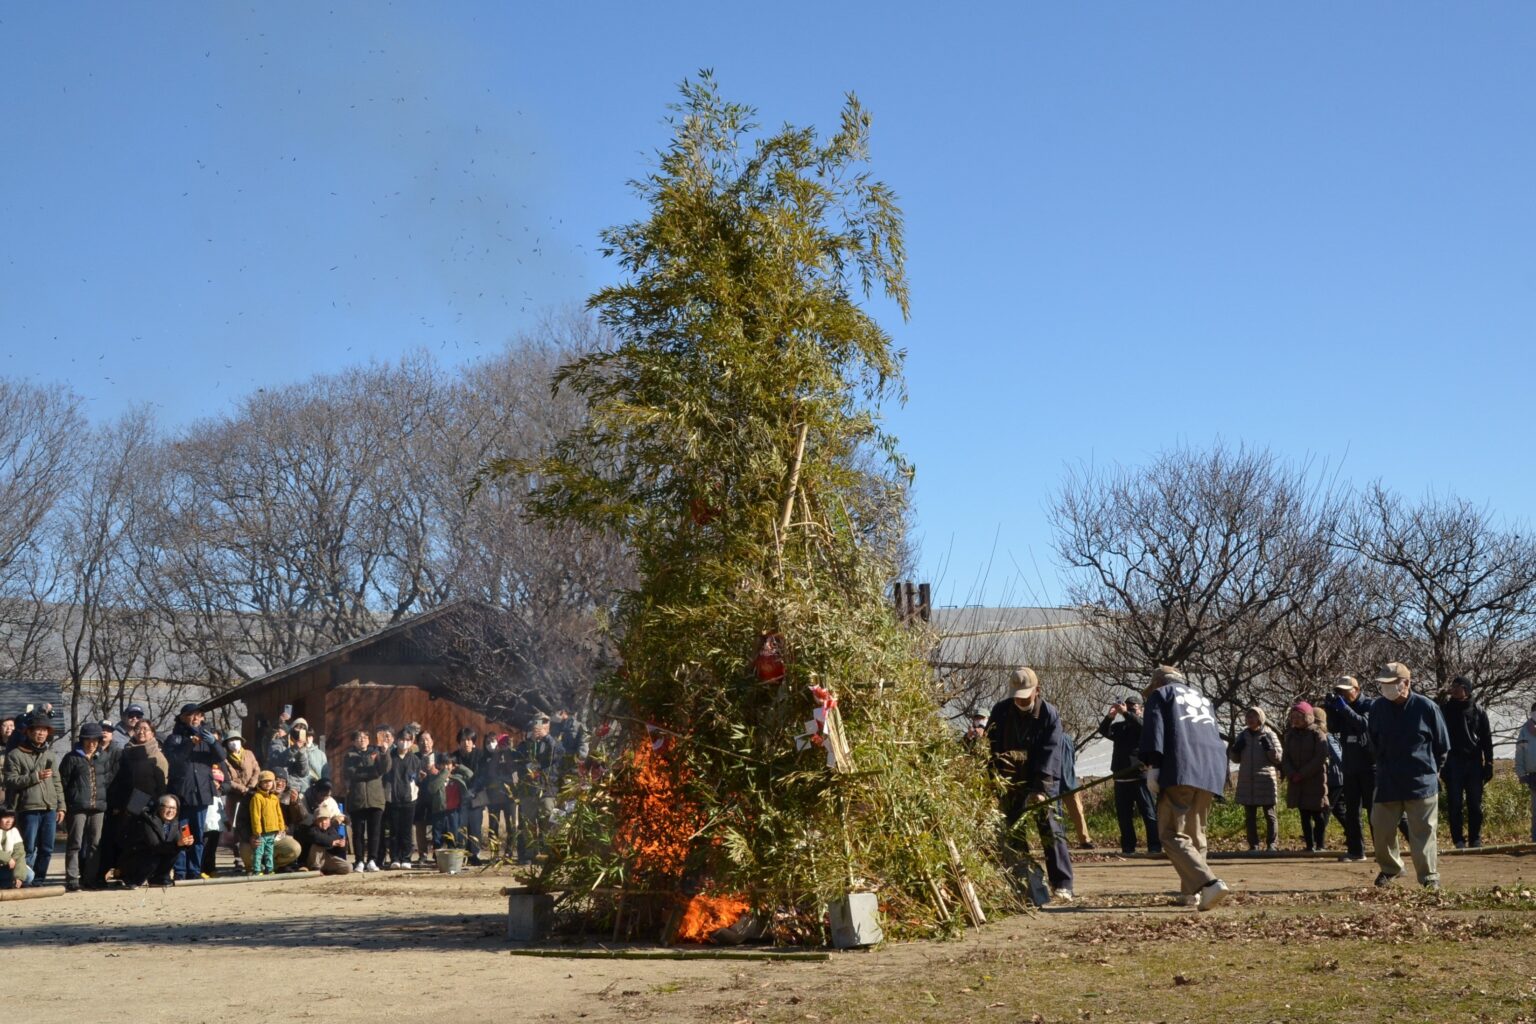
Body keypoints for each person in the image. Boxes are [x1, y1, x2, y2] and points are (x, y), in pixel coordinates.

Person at [1139, 665, 1230, 911]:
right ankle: (1192, 894)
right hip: (1211, 769)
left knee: (1170, 833)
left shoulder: (1162, 695)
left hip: (1182, 766)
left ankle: (1208, 883)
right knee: (1195, 833)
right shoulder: (1203, 698)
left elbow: (1155, 730)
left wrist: (1153, 765)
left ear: (1159, 683)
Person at [986, 666, 1075, 903]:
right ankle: (1024, 878)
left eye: (1025, 696)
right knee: (1012, 831)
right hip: (1009, 779)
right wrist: (992, 780)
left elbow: (1050, 753)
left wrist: (1040, 789)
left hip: (1041, 779)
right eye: (1017, 696)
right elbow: (990, 745)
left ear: (1037, 690)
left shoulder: (1049, 714)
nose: (1021, 701)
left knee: (1050, 829)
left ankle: (1063, 883)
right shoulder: (1001, 711)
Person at [1362, 662, 1450, 890]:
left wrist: (1433, 771)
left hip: (1421, 782)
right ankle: (1392, 868)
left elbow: (1442, 746)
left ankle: (1429, 876)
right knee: (1380, 829)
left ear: (1407, 683)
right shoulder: (1377, 708)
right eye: (1383, 684)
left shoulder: (1427, 707)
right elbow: (1373, 740)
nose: (1387, 688)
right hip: (1387, 780)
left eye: (1392, 684)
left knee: (1423, 833)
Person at [162, 703, 228, 880]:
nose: (196, 719)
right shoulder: (174, 738)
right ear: (183, 718)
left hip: (202, 793)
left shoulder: (207, 738)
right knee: (183, 834)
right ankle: (181, 871)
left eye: (199, 715)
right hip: (182, 795)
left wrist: (214, 742)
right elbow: (175, 760)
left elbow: (221, 757)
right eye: (191, 715)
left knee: (199, 835)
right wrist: (190, 743)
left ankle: (195, 870)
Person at [2, 712, 66, 886]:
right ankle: (23, 880)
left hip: (49, 808)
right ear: (28, 732)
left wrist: (61, 806)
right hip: (27, 808)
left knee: (47, 849)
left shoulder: (50, 754)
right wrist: (35, 777)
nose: (41, 733)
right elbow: (10, 780)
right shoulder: (15, 754)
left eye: (45, 730)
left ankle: (38, 881)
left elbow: (56, 781)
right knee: (28, 848)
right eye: (37, 730)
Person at [1437, 676, 1494, 849]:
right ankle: (1458, 840)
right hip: (1453, 763)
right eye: (1452, 686)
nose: (1454, 689)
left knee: (1475, 804)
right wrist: (1441, 766)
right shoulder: (1444, 710)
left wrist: (1489, 763)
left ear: (1466, 689)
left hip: (1474, 763)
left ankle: (1475, 838)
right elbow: (1438, 738)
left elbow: (1486, 738)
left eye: (1458, 686)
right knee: (1455, 804)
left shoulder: (1478, 710)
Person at [1324, 676, 1378, 862]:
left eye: (1347, 691)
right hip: (1350, 765)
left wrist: (1344, 708)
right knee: (1352, 811)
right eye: (1340, 691)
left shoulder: (1370, 705)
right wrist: (1330, 710)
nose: (1343, 695)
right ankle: (1356, 850)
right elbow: (1333, 728)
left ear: (1357, 688)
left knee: (1374, 810)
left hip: (1370, 766)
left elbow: (1364, 725)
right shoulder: (1341, 707)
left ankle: (1382, 851)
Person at [1098, 696, 1160, 855]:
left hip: (1140, 776)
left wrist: (1126, 713)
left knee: (1149, 813)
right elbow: (1104, 731)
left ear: (1141, 710)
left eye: (1134, 708)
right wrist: (1110, 716)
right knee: (1124, 816)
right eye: (1128, 708)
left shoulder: (1145, 725)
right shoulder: (1119, 727)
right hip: (1121, 776)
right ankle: (1128, 847)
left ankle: (1154, 846)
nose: (1130, 711)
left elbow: (1141, 726)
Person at [61, 722, 114, 892]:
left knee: (95, 844)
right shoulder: (71, 758)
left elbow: (107, 781)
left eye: (95, 740)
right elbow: (63, 783)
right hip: (77, 807)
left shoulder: (103, 757)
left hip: (98, 806)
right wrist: (65, 805)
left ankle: (89, 878)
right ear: (82, 740)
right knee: (75, 842)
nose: (91, 743)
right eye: (88, 739)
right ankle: (72, 878)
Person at [511, 713, 564, 866]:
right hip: (529, 789)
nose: (540, 727)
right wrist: (529, 742)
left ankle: (548, 852)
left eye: (544, 724)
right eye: (537, 723)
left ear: (549, 727)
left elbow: (558, 754)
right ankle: (530, 854)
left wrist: (546, 738)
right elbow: (516, 761)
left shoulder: (554, 743)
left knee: (549, 818)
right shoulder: (525, 744)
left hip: (548, 789)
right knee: (528, 823)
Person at [1228, 707, 1281, 853]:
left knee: (1270, 814)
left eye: (1254, 716)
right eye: (1248, 717)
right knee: (1249, 816)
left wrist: (1269, 748)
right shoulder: (1242, 736)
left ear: (1260, 718)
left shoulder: (1270, 734)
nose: (1250, 719)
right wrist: (1235, 750)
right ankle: (1254, 845)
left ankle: (1272, 844)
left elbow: (1278, 758)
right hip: (1247, 780)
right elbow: (1235, 759)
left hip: (1266, 780)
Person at [118, 793, 196, 888]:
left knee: (174, 852)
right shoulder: (147, 821)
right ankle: (134, 879)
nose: (171, 811)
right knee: (154, 856)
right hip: (135, 857)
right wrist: (177, 844)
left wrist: (186, 843)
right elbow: (154, 845)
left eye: (174, 808)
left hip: (156, 853)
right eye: (168, 807)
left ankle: (159, 879)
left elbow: (176, 843)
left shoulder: (174, 823)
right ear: (159, 807)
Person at [1281, 702, 1330, 852]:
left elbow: (1320, 756)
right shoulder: (1290, 736)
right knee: (1304, 814)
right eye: (1293, 717)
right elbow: (1285, 758)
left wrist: (1302, 773)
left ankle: (1320, 844)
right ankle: (1309, 845)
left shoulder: (1317, 734)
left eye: (1299, 716)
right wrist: (1291, 773)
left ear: (1308, 717)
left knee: (1318, 814)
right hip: (1297, 782)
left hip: (1315, 780)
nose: (1295, 720)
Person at [342, 727, 390, 872]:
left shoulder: (376, 752)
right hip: (357, 799)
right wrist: (372, 771)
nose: (362, 740)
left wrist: (384, 752)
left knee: (374, 832)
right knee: (358, 833)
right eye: (358, 738)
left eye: (364, 737)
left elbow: (384, 768)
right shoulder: (349, 756)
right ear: (353, 742)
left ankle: (372, 860)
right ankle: (359, 861)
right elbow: (352, 773)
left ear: (369, 740)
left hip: (375, 799)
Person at [381, 726, 420, 869]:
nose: (404, 742)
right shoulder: (391, 757)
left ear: (412, 742)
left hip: (409, 800)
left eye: (408, 740)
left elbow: (417, 779)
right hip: (393, 798)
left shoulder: (415, 759)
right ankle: (395, 858)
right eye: (402, 739)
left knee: (407, 831)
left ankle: (407, 858)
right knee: (394, 831)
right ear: (397, 740)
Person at [426, 750, 474, 850]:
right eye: (444, 764)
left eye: (449, 764)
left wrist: (459, 767)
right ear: (439, 765)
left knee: (453, 835)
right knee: (438, 837)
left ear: (453, 765)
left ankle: (452, 857)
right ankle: (438, 859)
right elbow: (432, 789)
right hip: (439, 811)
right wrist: (443, 774)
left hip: (454, 812)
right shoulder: (435, 778)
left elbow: (470, 774)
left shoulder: (457, 778)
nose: (447, 767)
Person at [454, 727, 488, 861]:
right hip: (460, 797)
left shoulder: (481, 756)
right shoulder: (454, 757)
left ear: (473, 742)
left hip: (477, 796)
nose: (466, 743)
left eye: (469, 740)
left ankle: (475, 854)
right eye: (463, 740)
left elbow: (483, 776)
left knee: (475, 827)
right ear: (459, 742)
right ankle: (461, 855)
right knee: (461, 827)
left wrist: (473, 790)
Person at [297, 797, 352, 874]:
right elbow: (318, 838)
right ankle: (314, 869)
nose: (324, 822)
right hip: (311, 860)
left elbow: (337, 842)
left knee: (348, 868)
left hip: (326, 859)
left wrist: (341, 846)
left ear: (329, 820)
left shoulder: (332, 829)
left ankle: (327, 871)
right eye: (320, 820)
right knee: (318, 844)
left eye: (326, 819)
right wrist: (332, 842)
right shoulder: (311, 830)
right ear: (315, 821)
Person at [246, 770, 284, 875]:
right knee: (259, 852)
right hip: (261, 832)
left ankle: (269, 869)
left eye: (270, 781)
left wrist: (281, 826)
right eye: (264, 781)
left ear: (273, 783)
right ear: (260, 783)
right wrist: (257, 830)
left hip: (272, 831)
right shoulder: (257, 798)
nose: (267, 784)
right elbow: (255, 815)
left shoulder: (274, 798)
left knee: (269, 852)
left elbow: (279, 814)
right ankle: (257, 870)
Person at [413, 731, 438, 864]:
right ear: (417, 743)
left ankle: (437, 853)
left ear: (432, 741)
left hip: (435, 796)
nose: (425, 743)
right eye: (422, 740)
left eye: (427, 739)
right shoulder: (414, 757)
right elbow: (409, 775)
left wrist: (436, 772)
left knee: (437, 826)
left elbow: (447, 772)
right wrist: (418, 776)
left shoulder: (439, 756)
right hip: (419, 796)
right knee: (420, 825)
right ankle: (422, 854)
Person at [1515, 700, 1536, 844]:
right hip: (1534, 775)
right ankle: (1535, 839)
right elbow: (1519, 754)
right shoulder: (1525, 730)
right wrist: (1521, 774)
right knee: (1535, 810)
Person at [1, 803, 32, 888]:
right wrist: (8, 859)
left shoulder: (14, 832)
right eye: (5, 817)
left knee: (29, 875)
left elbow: (19, 854)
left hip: (5, 868)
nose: (9, 821)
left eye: (11, 817)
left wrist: (18, 876)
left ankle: (8, 884)